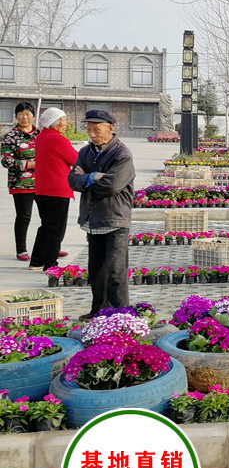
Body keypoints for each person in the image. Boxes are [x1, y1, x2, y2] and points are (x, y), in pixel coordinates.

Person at [68, 110, 135, 320]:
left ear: (110, 128)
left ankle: (120, 315)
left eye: (97, 130)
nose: (92, 134)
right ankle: (99, 311)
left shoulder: (121, 154)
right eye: (89, 130)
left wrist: (86, 182)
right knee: (96, 269)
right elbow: (72, 180)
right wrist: (93, 177)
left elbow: (111, 185)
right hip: (93, 218)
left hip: (115, 218)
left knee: (115, 270)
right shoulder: (85, 152)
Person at [30, 108, 78, 272]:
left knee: (46, 226)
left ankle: (36, 260)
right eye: (63, 120)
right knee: (56, 229)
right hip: (57, 189)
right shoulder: (58, 139)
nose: (66, 124)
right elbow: (75, 160)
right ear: (54, 123)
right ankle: (50, 264)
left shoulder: (41, 137)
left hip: (42, 188)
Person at [1, 102, 39, 261]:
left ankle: (51, 246)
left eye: (27, 114)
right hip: (21, 183)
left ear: (33, 116)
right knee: (24, 216)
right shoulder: (10, 136)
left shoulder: (40, 134)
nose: (24, 117)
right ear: (16, 116)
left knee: (49, 216)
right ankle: (21, 250)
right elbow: (6, 160)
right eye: (21, 114)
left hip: (43, 182)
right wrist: (28, 164)